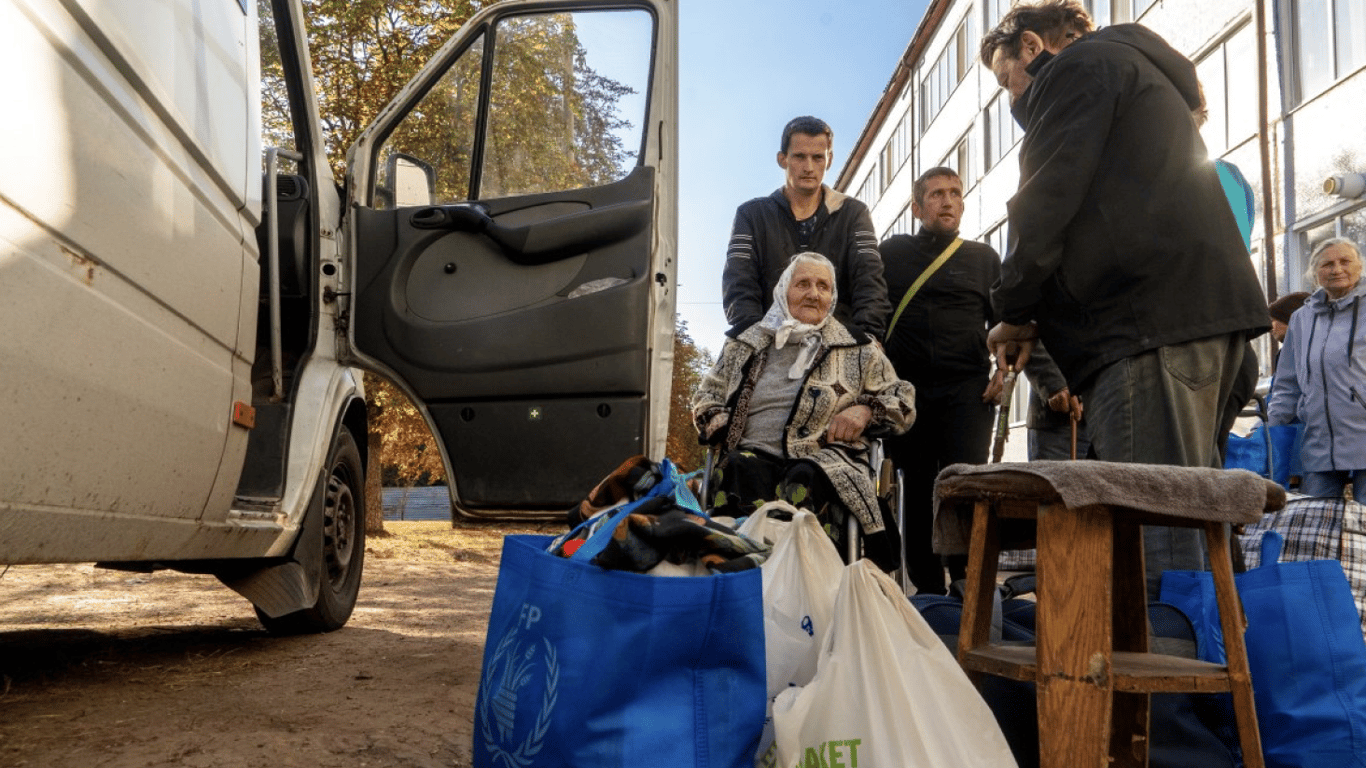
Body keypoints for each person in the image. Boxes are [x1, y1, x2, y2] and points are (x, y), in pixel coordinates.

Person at [979, 0, 1270, 592]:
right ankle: (1216, 649)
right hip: (1206, 325)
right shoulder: (1139, 75)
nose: (1012, 99)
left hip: (1144, 331)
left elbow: (1045, 200)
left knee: (1153, 532)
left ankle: (1165, 654)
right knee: (1198, 522)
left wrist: (1012, 309)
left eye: (1007, 81)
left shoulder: (1076, 69)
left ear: (1031, 47)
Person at [693, 252, 915, 570]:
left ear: (832, 296)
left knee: (806, 476)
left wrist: (866, 410)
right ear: (784, 291)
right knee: (740, 468)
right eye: (803, 284)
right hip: (752, 454)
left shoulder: (858, 347)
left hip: (824, 460)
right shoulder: (745, 342)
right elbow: (706, 395)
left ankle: (811, 580)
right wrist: (719, 421)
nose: (813, 294)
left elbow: (902, 398)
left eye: (823, 286)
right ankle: (743, 579)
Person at [879, 167, 1002, 594]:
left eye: (954, 193)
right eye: (936, 194)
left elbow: (1005, 323)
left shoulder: (983, 258)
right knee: (916, 490)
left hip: (968, 391)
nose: (947, 201)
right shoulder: (892, 253)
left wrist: (1004, 373)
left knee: (966, 486)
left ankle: (968, 586)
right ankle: (928, 593)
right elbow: (870, 311)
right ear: (916, 207)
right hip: (907, 393)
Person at [722, 116, 891, 341]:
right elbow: (739, 283)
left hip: (838, 343)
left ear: (829, 160)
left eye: (817, 157)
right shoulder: (751, 215)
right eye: (800, 156)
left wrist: (866, 337)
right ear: (783, 159)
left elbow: (869, 279)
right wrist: (755, 340)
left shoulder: (853, 213)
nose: (809, 167)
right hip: (769, 341)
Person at [1268, 239, 1366, 499]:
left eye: (1345, 262)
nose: (1337, 269)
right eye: (1327, 264)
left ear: (1359, 266)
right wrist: (1271, 427)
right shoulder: (1302, 318)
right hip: (1319, 442)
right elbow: (1287, 383)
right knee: (1314, 517)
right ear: (1315, 273)